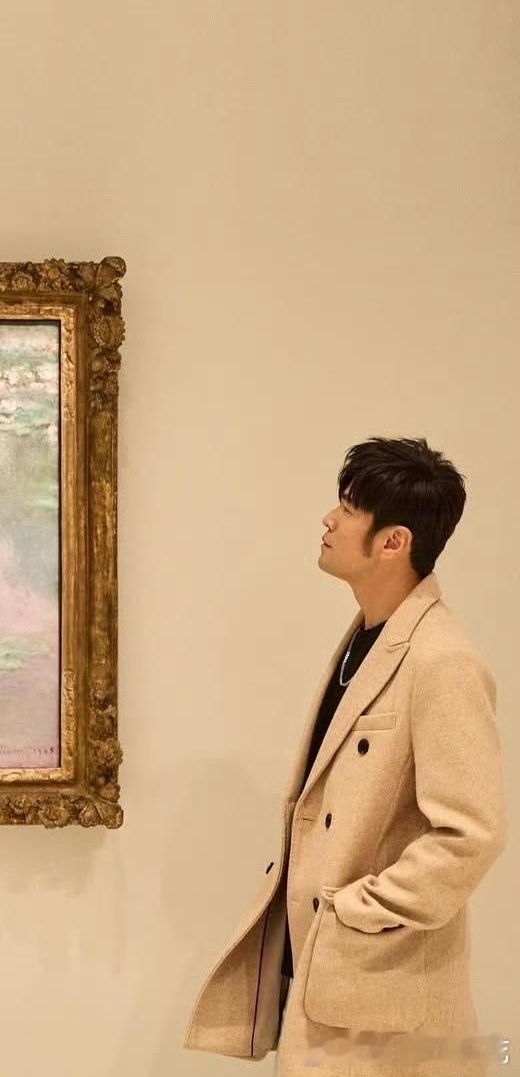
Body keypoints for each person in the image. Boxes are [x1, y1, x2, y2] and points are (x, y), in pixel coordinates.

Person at [183, 436, 507, 1076]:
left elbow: (472, 833)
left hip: (382, 988)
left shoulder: (442, 659)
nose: (329, 520)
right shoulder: (369, 638)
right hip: (330, 971)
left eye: (350, 508)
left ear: (394, 541)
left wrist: (360, 909)